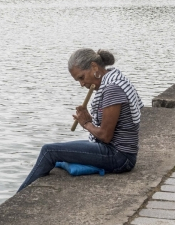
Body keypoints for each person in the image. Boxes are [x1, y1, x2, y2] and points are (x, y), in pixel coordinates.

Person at [17, 48, 143, 192]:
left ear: (94, 67)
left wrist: (86, 123)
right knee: (58, 149)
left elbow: (105, 136)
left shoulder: (112, 89)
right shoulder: (114, 80)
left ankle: (18, 196)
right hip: (118, 152)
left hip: (120, 157)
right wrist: (91, 120)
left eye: (81, 77)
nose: (82, 84)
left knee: (49, 151)